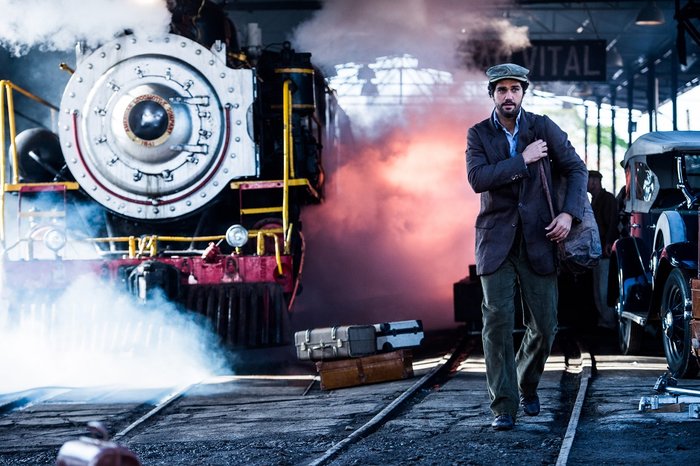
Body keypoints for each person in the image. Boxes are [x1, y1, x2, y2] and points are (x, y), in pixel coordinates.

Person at [466, 63, 588, 431]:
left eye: (514, 89)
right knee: (497, 323)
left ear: (523, 93)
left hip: (541, 237)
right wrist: (523, 160)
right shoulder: (478, 135)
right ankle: (504, 406)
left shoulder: (542, 126)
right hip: (496, 241)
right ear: (492, 95)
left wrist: (569, 214)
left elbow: (577, 169)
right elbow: (478, 179)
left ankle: (526, 382)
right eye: (501, 90)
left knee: (546, 324)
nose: (508, 96)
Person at [587, 170, 619, 329]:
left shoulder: (608, 199)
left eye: (589, 180)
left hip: (605, 251)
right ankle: (604, 320)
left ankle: (609, 321)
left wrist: (609, 242)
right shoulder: (594, 201)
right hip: (596, 251)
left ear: (594, 181)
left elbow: (613, 222)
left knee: (603, 287)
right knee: (597, 289)